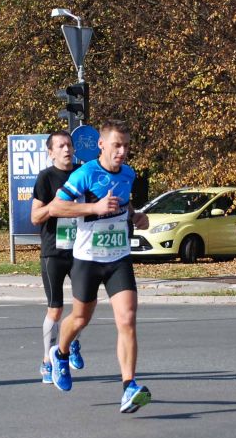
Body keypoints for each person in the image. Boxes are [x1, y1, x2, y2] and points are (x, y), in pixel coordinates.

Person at [47, 119, 151, 413]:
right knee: (80, 319)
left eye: (127, 146)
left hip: (118, 259)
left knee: (127, 319)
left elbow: (124, 205)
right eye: (117, 145)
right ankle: (61, 352)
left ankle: (128, 387)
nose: (122, 151)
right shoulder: (86, 173)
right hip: (87, 260)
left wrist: (136, 216)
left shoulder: (128, 174)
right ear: (102, 145)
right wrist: (93, 208)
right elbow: (55, 207)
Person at [30, 131, 84, 384]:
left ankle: (71, 344)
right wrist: (55, 206)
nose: (66, 149)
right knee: (56, 308)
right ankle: (46, 361)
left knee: (83, 306)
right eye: (61, 146)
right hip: (54, 251)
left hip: (82, 250)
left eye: (69, 145)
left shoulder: (83, 173)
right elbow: (35, 217)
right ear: (51, 152)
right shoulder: (46, 178)